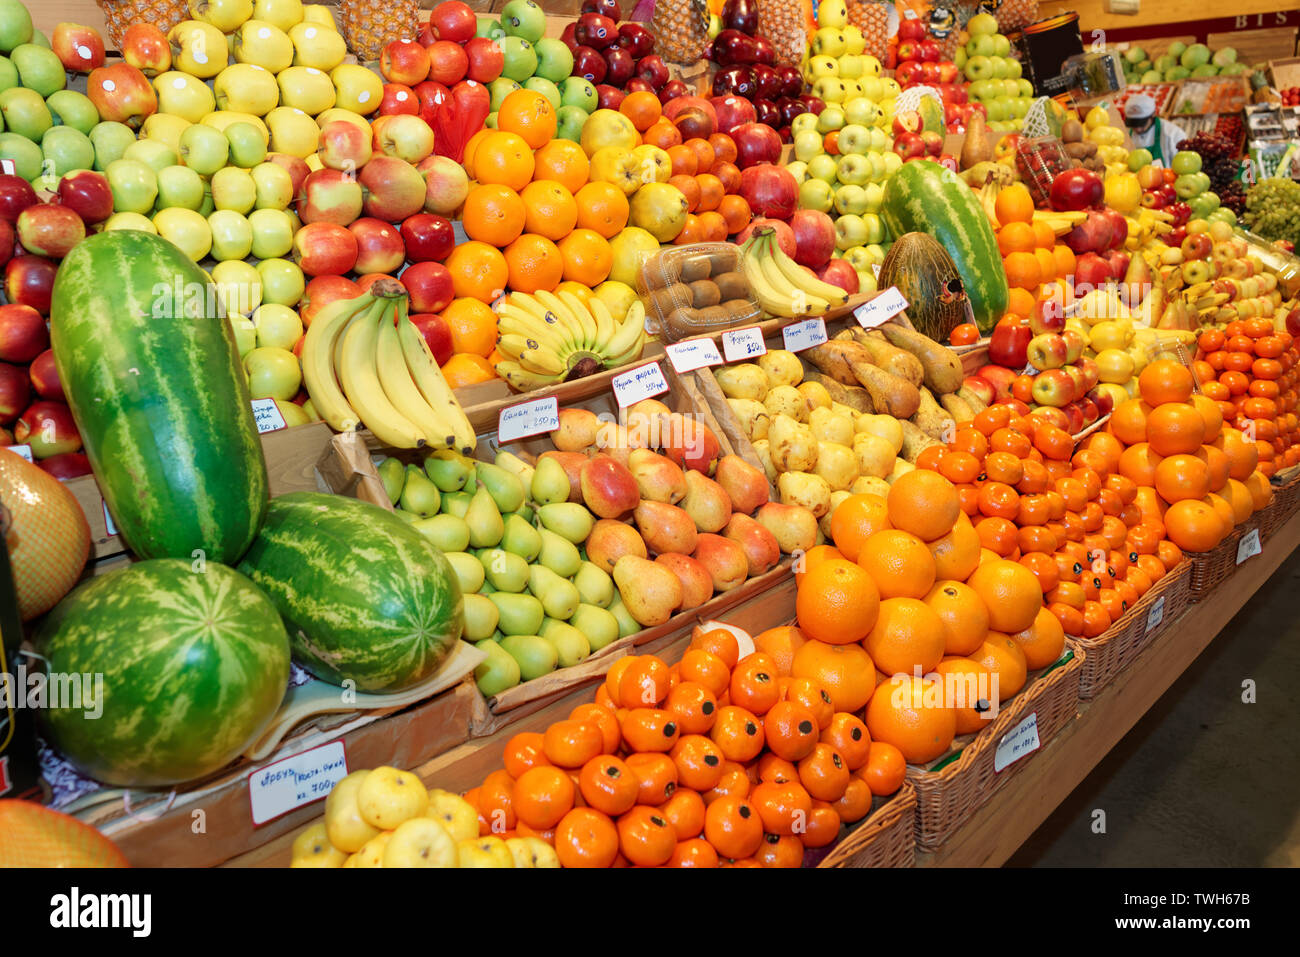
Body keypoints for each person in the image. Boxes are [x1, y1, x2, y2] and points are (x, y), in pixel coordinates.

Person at [1123, 94, 1187, 166]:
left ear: (1153, 114)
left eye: (1142, 124)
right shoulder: (1125, 133)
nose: (1138, 129)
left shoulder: (1173, 134)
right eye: (1133, 125)